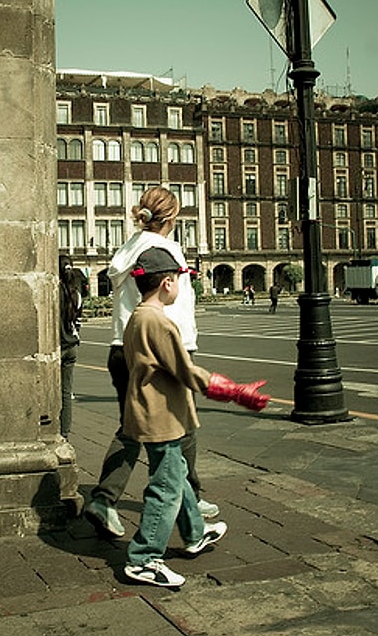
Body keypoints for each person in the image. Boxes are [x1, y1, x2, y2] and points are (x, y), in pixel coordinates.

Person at [120, 247, 270, 587]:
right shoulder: (158, 323)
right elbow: (186, 371)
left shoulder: (138, 316)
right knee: (167, 486)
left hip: (151, 412)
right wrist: (235, 391)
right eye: (183, 282)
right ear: (168, 282)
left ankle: (195, 532)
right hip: (161, 416)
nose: (183, 288)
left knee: (176, 473)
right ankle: (144, 559)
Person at [83, 186, 217, 539]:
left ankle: (104, 499)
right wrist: (185, 352)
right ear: (172, 218)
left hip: (121, 346)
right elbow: (177, 306)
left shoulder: (127, 249)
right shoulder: (166, 250)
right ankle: (191, 500)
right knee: (181, 425)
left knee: (131, 427)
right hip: (160, 348)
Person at [59, 255, 83, 438]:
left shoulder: (54, 293)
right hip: (72, 345)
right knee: (67, 392)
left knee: (52, 390)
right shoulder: (76, 293)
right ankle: (65, 432)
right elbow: (78, 321)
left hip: (59, 345)